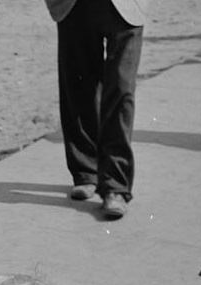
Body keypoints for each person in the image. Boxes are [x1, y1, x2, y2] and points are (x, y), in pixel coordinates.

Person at [44, 0, 148, 219]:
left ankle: (115, 186)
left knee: (121, 91)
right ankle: (85, 171)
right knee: (79, 86)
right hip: (74, 5)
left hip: (125, 6)